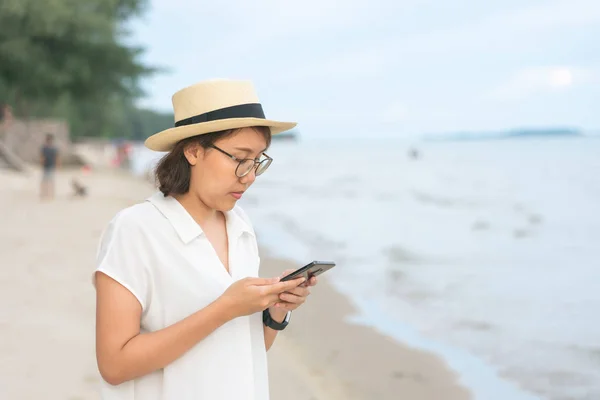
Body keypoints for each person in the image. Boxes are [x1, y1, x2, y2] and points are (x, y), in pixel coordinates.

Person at [93, 79, 318, 400]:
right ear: (193, 150)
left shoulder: (240, 225)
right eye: (240, 158)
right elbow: (114, 365)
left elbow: (249, 347)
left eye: (258, 160)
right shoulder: (135, 229)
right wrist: (224, 308)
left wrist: (276, 310)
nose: (250, 175)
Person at [40, 133, 59, 200]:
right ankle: (44, 193)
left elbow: (56, 157)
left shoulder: (53, 148)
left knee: (50, 180)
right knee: (45, 181)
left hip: (51, 166)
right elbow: (42, 157)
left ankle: (50, 194)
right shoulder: (44, 148)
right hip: (46, 166)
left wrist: (57, 165)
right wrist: (42, 163)